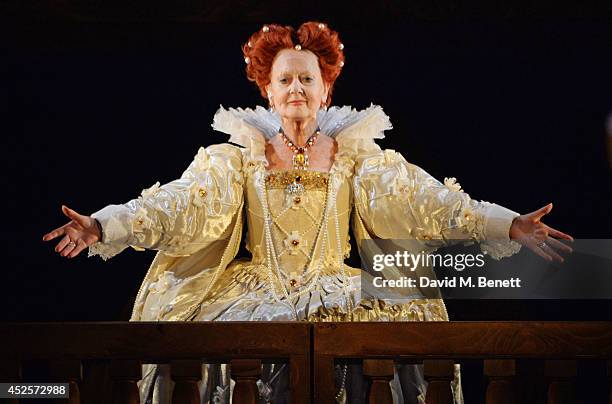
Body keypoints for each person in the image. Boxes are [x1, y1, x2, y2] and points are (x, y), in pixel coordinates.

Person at [42, 21, 573, 404]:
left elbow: (426, 201)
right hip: (256, 289)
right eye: (285, 80)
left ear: (326, 89)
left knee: (383, 344)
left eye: (308, 79)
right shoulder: (236, 158)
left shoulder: (358, 157)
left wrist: (506, 223)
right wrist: (102, 224)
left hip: (336, 282)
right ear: (267, 92)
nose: (297, 88)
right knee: (225, 351)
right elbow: (181, 205)